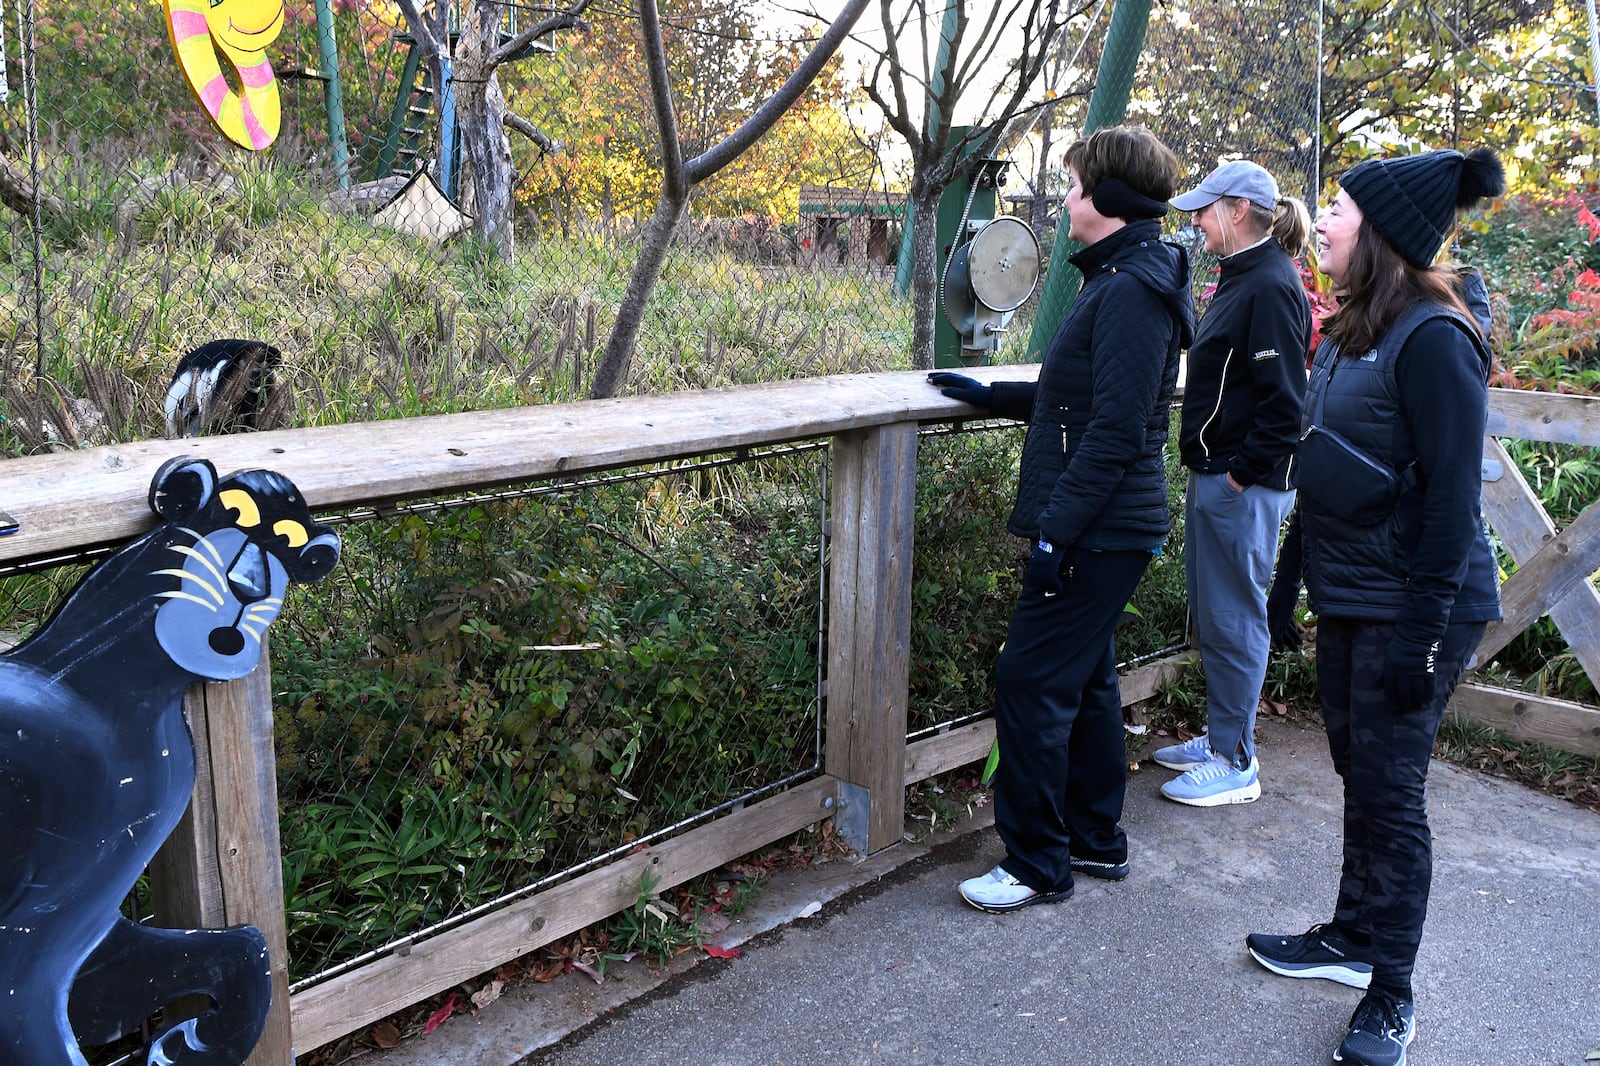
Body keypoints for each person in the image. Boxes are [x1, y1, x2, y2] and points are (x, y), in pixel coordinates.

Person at [1250, 147, 1506, 1066]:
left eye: (1340, 209)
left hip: (1418, 602)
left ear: (1385, 233)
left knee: (1393, 795)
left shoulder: (1436, 337)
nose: (1320, 221)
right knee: (1358, 769)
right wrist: (1289, 582)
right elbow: (1324, 465)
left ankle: (1392, 993)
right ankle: (1353, 935)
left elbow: (1450, 503)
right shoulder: (1357, 327)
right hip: (1354, 593)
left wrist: (1425, 635)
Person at [926, 125, 1195, 912]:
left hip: (1101, 526)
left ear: (1108, 200)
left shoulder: (1132, 291)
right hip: (1105, 523)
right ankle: (1095, 840)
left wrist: (1055, 532)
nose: (1066, 201)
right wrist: (996, 395)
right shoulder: (1123, 275)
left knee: (1033, 679)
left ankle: (1038, 863)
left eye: (1075, 187)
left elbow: (1116, 429)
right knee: (1088, 678)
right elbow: (1090, 395)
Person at [1151, 162, 1313, 806]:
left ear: (1239, 210)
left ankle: (1236, 760)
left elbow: (1285, 404)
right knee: (1216, 613)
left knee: (1237, 615)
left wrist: (1242, 475)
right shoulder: (1243, 278)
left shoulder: (1270, 286)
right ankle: (1223, 734)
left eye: (1204, 210)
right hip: (1221, 475)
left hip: (1244, 483)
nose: (1195, 221)